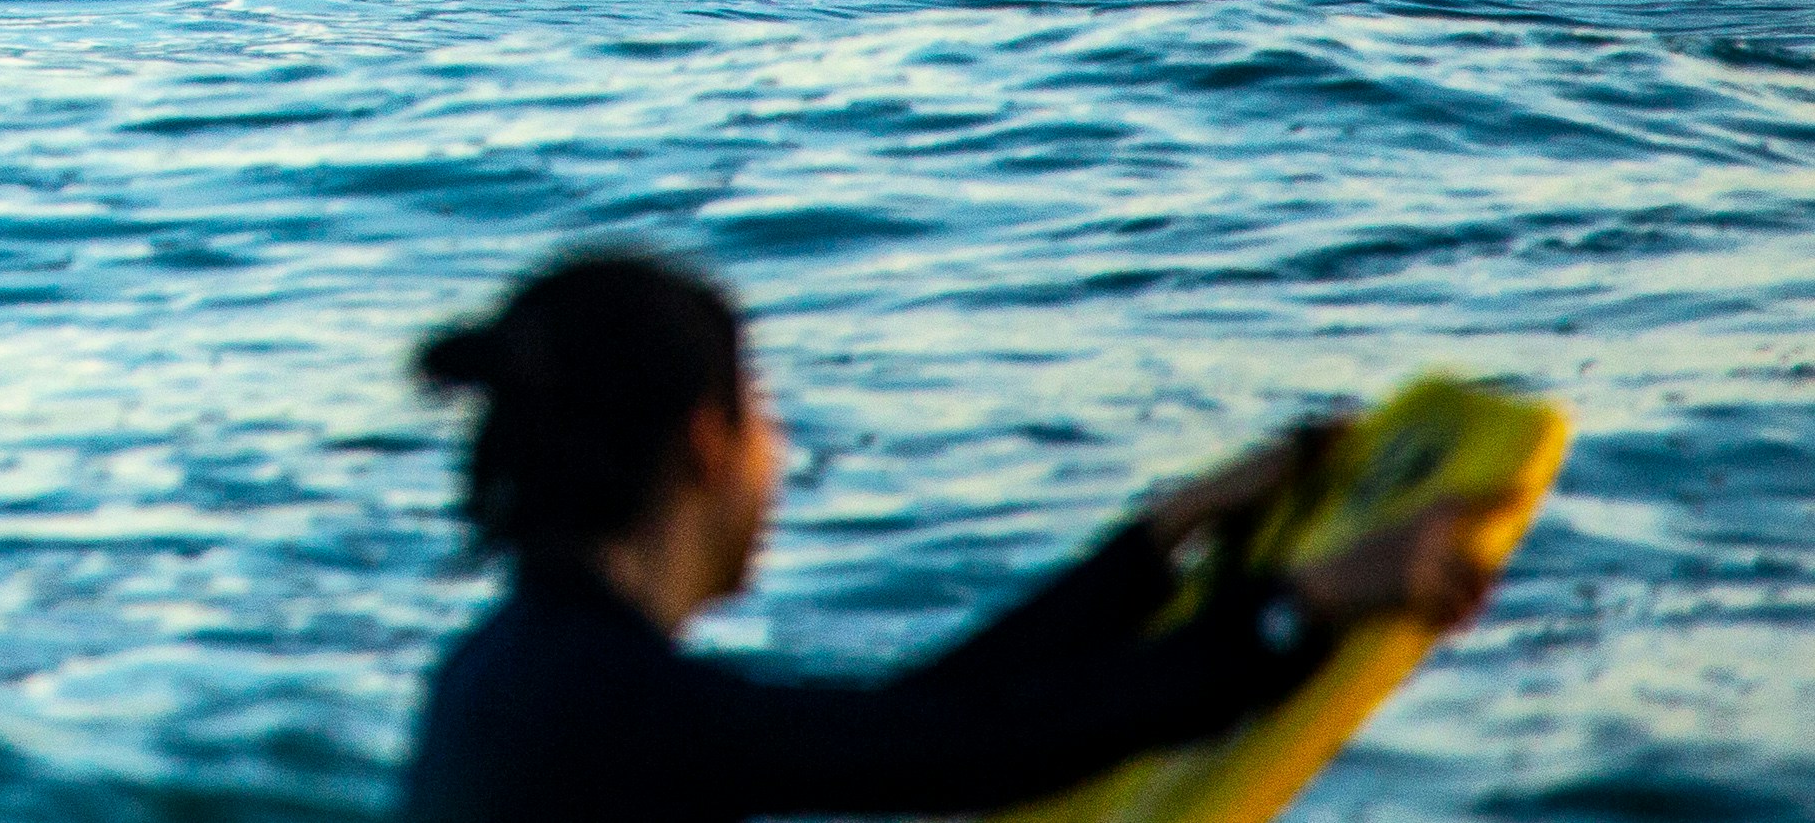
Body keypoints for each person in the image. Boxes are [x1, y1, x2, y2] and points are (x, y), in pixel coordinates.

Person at [399, 249, 1508, 823]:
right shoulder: (609, 702)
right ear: (703, 442)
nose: (778, 453)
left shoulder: (517, 673)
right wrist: (1297, 609)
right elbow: (972, 752)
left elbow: (911, 724)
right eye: (765, 413)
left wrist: (1156, 540)